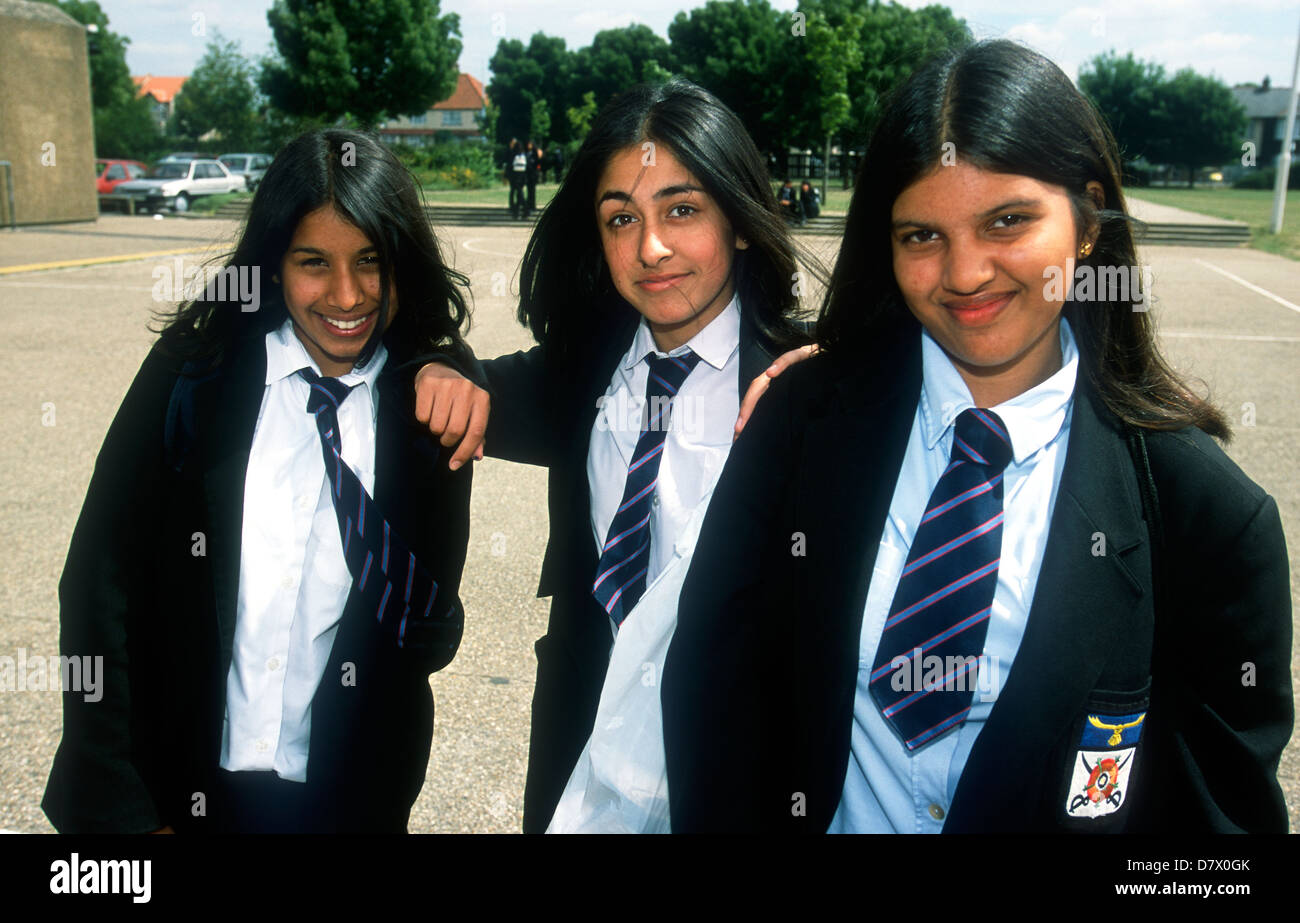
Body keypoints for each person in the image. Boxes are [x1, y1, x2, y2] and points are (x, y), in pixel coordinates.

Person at [662, 39, 1293, 833]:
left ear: (1089, 222)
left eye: (1008, 221)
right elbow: (709, 695)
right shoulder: (798, 423)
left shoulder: (1208, 517)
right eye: (921, 235)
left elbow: (1214, 843)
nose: (964, 274)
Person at [412, 78, 820, 832]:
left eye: (683, 209)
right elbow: (456, 379)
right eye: (621, 218)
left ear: (738, 219)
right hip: (586, 771)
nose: (651, 247)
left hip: (737, 784)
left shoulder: (805, 385)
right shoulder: (583, 368)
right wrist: (435, 364)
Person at [42, 129, 476, 833]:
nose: (346, 294)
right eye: (314, 262)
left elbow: (426, 629)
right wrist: (125, 809)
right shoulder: (197, 370)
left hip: (344, 802)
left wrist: (455, 364)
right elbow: (98, 582)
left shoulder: (427, 408)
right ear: (274, 265)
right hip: (182, 793)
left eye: (372, 261)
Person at [507, 138, 527, 220]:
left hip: (515, 176)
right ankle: (519, 211)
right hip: (522, 176)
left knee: (519, 193)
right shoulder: (523, 155)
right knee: (519, 193)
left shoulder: (513, 155)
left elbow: (510, 166)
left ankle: (523, 209)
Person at [524, 139, 541, 217]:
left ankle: (533, 206)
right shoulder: (525, 153)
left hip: (533, 174)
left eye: (530, 144)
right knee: (529, 190)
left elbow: (538, 163)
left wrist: (536, 170)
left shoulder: (534, 153)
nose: (529, 146)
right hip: (527, 174)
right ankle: (529, 205)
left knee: (532, 191)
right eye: (528, 144)